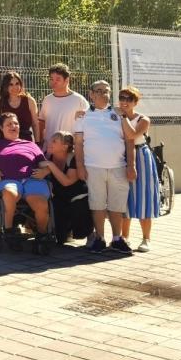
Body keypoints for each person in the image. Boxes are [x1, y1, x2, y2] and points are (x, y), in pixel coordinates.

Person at [74, 80, 136, 255]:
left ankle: (117, 239)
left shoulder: (119, 114)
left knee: (117, 206)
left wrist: (131, 165)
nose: (103, 94)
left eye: (107, 91)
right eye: (99, 91)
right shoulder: (82, 117)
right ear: (91, 94)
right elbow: (78, 144)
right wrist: (79, 166)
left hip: (118, 167)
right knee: (97, 204)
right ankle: (100, 238)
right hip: (93, 167)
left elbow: (130, 140)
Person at [0, 114, 50, 237]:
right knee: (9, 194)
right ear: (1, 128)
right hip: (8, 180)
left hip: (32, 179)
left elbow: (44, 164)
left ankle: (42, 234)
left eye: (16, 123)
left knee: (41, 204)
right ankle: (9, 230)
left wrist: (45, 171)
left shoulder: (30, 144)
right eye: (9, 124)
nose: (13, 126)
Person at [117, 86, 158, 252]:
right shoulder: (116, 116)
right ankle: (124, 237)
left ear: (135, 102)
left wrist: (124, 117)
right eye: (122, 98)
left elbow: (132, 135)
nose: (125, 102)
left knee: (143, 196)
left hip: (141, 157)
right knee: (124, 198)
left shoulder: (143, 119)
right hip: (121, 157)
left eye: (129, 99)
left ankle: (146, 238)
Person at [42, 131, 93, 245]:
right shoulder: (47, 155)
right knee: (60, 239)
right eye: (51, 140)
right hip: (58, 195)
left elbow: (67, 181)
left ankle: (90, 234)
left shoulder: (73, 158)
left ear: (65, 146)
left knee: (79, 204)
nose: (50, 143)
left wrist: (50, 166)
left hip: (76, 193)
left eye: (54, 141)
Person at [38, 63, 89, 151]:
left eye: (58, 79)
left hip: (70, 151)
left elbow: (87, 125)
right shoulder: (47, 100)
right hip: (49, 150)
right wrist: (40, 142)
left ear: (67, 80)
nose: (54, 82)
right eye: (51, 79)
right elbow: (41, 123)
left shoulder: (79, 100)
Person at [0, 71, 40, 143]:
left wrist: (38, 143)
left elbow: (35, 124)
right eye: (11, 84)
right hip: (6, 143)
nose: (15, 87)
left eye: (17, 84)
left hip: (26, 142)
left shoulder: (30, 101)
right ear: (6, 86)